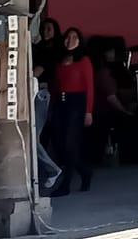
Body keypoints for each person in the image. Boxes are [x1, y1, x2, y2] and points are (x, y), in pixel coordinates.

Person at [48, 27, 94, 196]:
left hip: (77, 103)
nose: (70, 40)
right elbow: (56, 85)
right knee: (59, 143)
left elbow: (89, 87)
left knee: (70, 143)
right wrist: (52, 106)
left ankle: (65, 184)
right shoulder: (60, 60)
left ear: (80, 41)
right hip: (61, 102)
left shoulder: (84, 61)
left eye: (75, 37)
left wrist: (88, 111)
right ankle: (84, 170)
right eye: (68, 37)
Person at [32, 18, 63, 191]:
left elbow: (38, 71)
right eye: (43, 29)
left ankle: (53, 170)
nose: (45, 32)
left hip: (41, 93)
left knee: (32, 137)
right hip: (40, 93)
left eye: (49, 29)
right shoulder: (43, 47)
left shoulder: (51, 50)